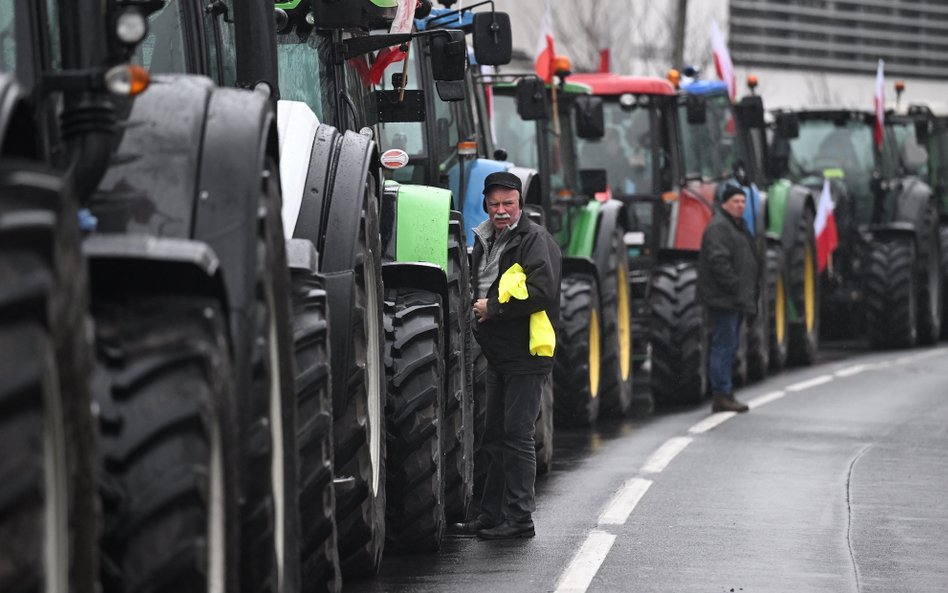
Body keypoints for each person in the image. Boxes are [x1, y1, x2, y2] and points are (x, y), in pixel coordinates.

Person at [452, 171, 561, 540]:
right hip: (499, 351)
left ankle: (519, 520)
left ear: (519, 204)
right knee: (495, 435)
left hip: (526, 352)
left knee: (517, 436)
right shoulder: (485, 238)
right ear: (486, 204)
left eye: (508, 204)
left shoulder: (533, 239)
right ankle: (490, 513)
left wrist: (493, 309)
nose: (501, 211)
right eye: (495, 204)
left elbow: (542, 291)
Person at [697, 185, 760, 413]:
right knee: (723, 346)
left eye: (743, 202)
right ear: (724, 203)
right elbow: (718, 261)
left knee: (729, 344)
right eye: (736, 201)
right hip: (724, 298)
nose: (740, 206)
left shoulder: (737, 226)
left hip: (735, 298)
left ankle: (726, 391)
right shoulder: (719, 227)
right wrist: (734, 286)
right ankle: (721, 393)